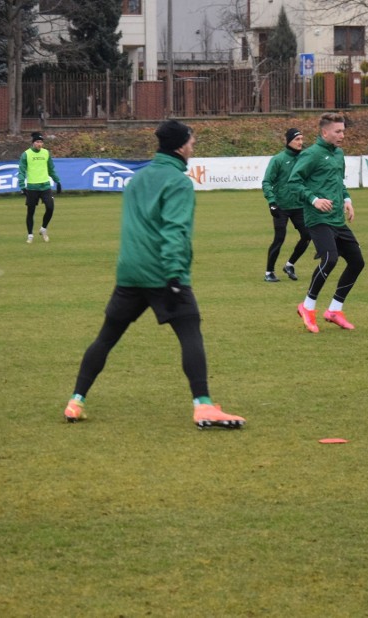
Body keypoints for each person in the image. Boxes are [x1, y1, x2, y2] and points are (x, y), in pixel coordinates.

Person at [62, 120, 245, 429]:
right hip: (163, 273)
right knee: (190, 332)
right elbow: (175, 229)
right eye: (191, 141)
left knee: (106, 337)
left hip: (130, 273)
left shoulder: (137, 179)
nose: (193, 146)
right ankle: (202, 405)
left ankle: (76, 401)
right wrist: (175, 276)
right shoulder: (178, 182)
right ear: (179, 147)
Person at [288, 112, 365, 333]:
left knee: (357, 262)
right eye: (338, 131)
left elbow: (338, 181)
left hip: (336, 219)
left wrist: (347, 199)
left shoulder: (339, 154)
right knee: (330, 259)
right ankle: (307, 307)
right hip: (317, 219)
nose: (342, 135)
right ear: (324, 132)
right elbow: (294, 182)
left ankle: (334, 310)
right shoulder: (311, 154)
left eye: (343, 131)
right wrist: (314, 199)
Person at [261, 128, 311, 282]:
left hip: (299, 206)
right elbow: (267, 182)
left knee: (307, 235)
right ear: (288, 141)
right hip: (281, 206)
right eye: (297, 139)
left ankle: (289, 265)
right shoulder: (278, 159)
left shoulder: (305, 158)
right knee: (279, 238)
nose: (300, 142)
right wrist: (271, 202)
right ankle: (269, 272)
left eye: (302, 139)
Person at [17, 131, 61, 243]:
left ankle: (43, 228)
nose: (39, 144)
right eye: (37, 141)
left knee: (50, 207)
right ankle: (30, 235)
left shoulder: (46, 153)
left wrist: (57, 181)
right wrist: (22, 186)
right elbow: (21, 171)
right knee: (31, 212)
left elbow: (51, 169)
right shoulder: (26, 154)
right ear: (33, 143)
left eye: (41, 142)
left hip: (45, 186)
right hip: (32, 188)